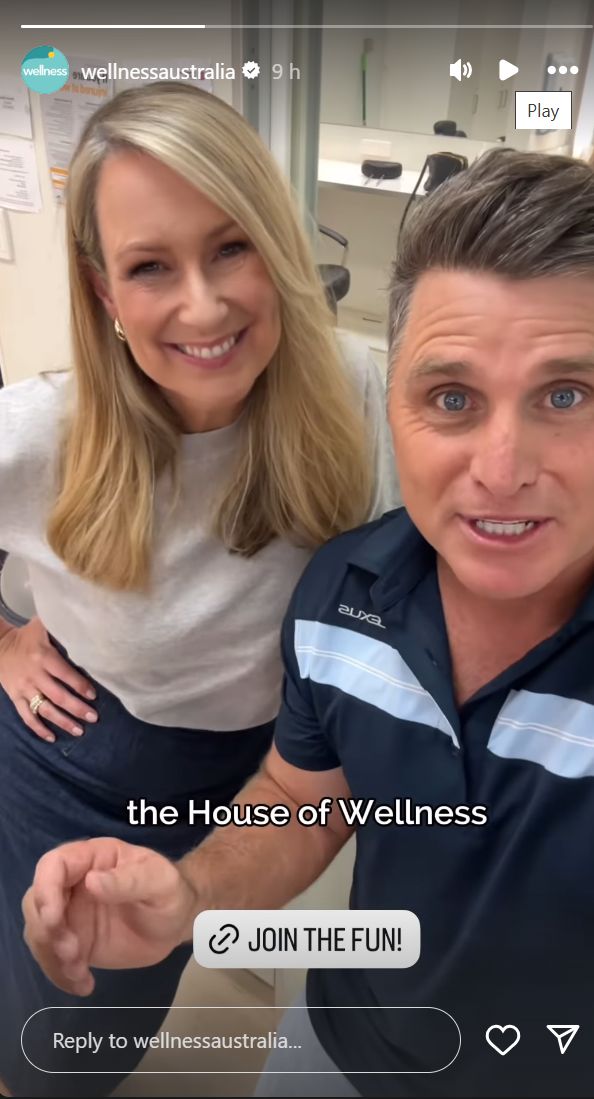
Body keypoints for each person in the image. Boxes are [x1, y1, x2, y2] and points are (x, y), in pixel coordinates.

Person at [26, 147, 594, 1099]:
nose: (501, 469)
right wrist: (192, 895)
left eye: (565, 396)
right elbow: (305, 797)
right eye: (453, 398)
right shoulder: (342, 595)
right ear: (393, 405)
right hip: (336, 1047)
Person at [0, 81, 399, 1098]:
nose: (205, 305)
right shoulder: (40, 432)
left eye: (231, 247)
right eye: (150, 267)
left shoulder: (359, 394)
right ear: (104, 293)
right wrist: (5, 642)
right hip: (83, 756)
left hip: (270, 767)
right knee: (66, 1047)